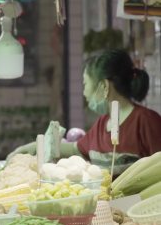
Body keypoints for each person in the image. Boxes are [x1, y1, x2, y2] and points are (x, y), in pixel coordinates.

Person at [12, 49, 161, 176]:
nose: (84, 92)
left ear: (104, 86)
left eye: (85, 84)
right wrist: (35, 146)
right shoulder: (102, 124)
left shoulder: (146, 121)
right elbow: (76, 149)